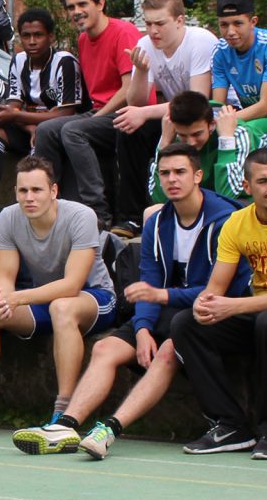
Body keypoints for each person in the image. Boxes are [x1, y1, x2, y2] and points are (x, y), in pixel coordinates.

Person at [39, 143, 247, 460]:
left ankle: (109, 430)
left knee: (168, 350)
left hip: (208, 315)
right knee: (105, 348)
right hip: (166, 311)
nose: (172, 179)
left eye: (180, 172)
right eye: (165, 173)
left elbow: (216, 292)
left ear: (198, 175)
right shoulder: (157, 222)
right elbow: (149, 281)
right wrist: (142, 329)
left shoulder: (225, 220)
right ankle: (66, 425)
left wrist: (161, 298)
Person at [0, 157, 118, 440]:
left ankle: (65, 415)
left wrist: (18, 297)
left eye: (37, 190)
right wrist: (1, 296)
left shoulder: (81, 216)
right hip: (44, 300)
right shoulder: (9, 217)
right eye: (23, 191)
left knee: (62, 307)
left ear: (53, 191)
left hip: (94, 297)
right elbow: (4, 276)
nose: (29, 197)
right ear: (15, 192)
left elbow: (72, 284)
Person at [168, 150, 267, 457]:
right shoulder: (237, 222)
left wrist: (232, 306)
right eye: (263, 181)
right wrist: (203, 305)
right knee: (185, 324)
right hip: (260, 307)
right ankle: (229, 425)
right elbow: (215, 289)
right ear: (247, 186)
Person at [31, 0, 144, 228]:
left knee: (73, 131)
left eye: (82, 4)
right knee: (46, 130)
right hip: (99, 113)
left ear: (100, 3)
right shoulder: (83, 39)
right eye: (71, 7)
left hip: (127, 113)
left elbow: (129, 91)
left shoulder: (123, 32)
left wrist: (95, 118)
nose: (76, 12)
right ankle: (48, 204)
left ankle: (97, 213)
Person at [110, 0, 218, 232]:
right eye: (148, 24)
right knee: (128, 127)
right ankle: (132, 217)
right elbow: (135, 102)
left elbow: (198, 101)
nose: (152, 31)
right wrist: (141, 71)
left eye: (160, 24)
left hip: (204, 115)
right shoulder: (145, 45)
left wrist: (144, 113)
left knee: (138, 119)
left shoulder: (200, 41)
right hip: (174, 114)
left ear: (179, 21)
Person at [0, 7, 86, 192]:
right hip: (30, 129)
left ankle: (45, 195)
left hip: (59, 132)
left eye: (38, 35)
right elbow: (13, 106)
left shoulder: (64, 62)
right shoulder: (18, 61)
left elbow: (66, 113)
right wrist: (29, 127)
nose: (32, 41)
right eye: (26, 36)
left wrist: (19, 117)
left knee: (43, 134)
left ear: (51, 37)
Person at [209, 0, 267, 158]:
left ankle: (239, 177)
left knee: (242, 132)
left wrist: (226, 121)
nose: (230, 32)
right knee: (204, 133)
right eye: (224, 25)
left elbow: (265, 107)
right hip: (250, 114)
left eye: (238, 23)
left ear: (253, 22)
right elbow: (218, 105)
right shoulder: (220, 52)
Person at [142, 90, 248, 207]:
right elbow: (158, 199)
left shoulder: (235, 133)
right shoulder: (171, 134)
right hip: (194, 203)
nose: (190, 143)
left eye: (197, 134)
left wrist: (226, 139)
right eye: (183, 135)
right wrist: (164, 143)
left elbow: (228, 195)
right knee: (153, 211)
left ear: (211, 125)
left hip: (237, 206)